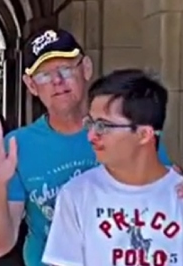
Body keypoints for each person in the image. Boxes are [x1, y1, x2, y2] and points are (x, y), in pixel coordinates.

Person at [0, 28, 177, 266]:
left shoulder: (127, 133)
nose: (57, 82)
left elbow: (165, 196)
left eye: (66, 69)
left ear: (86, 69)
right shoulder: (18, 147)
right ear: (30, 85)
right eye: (44, 76)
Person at [42, 69, 183, 266]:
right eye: (90, 123)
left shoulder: (178, 195)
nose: (91, 136)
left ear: (144, 134)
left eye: (103, 126)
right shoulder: (77, 194)